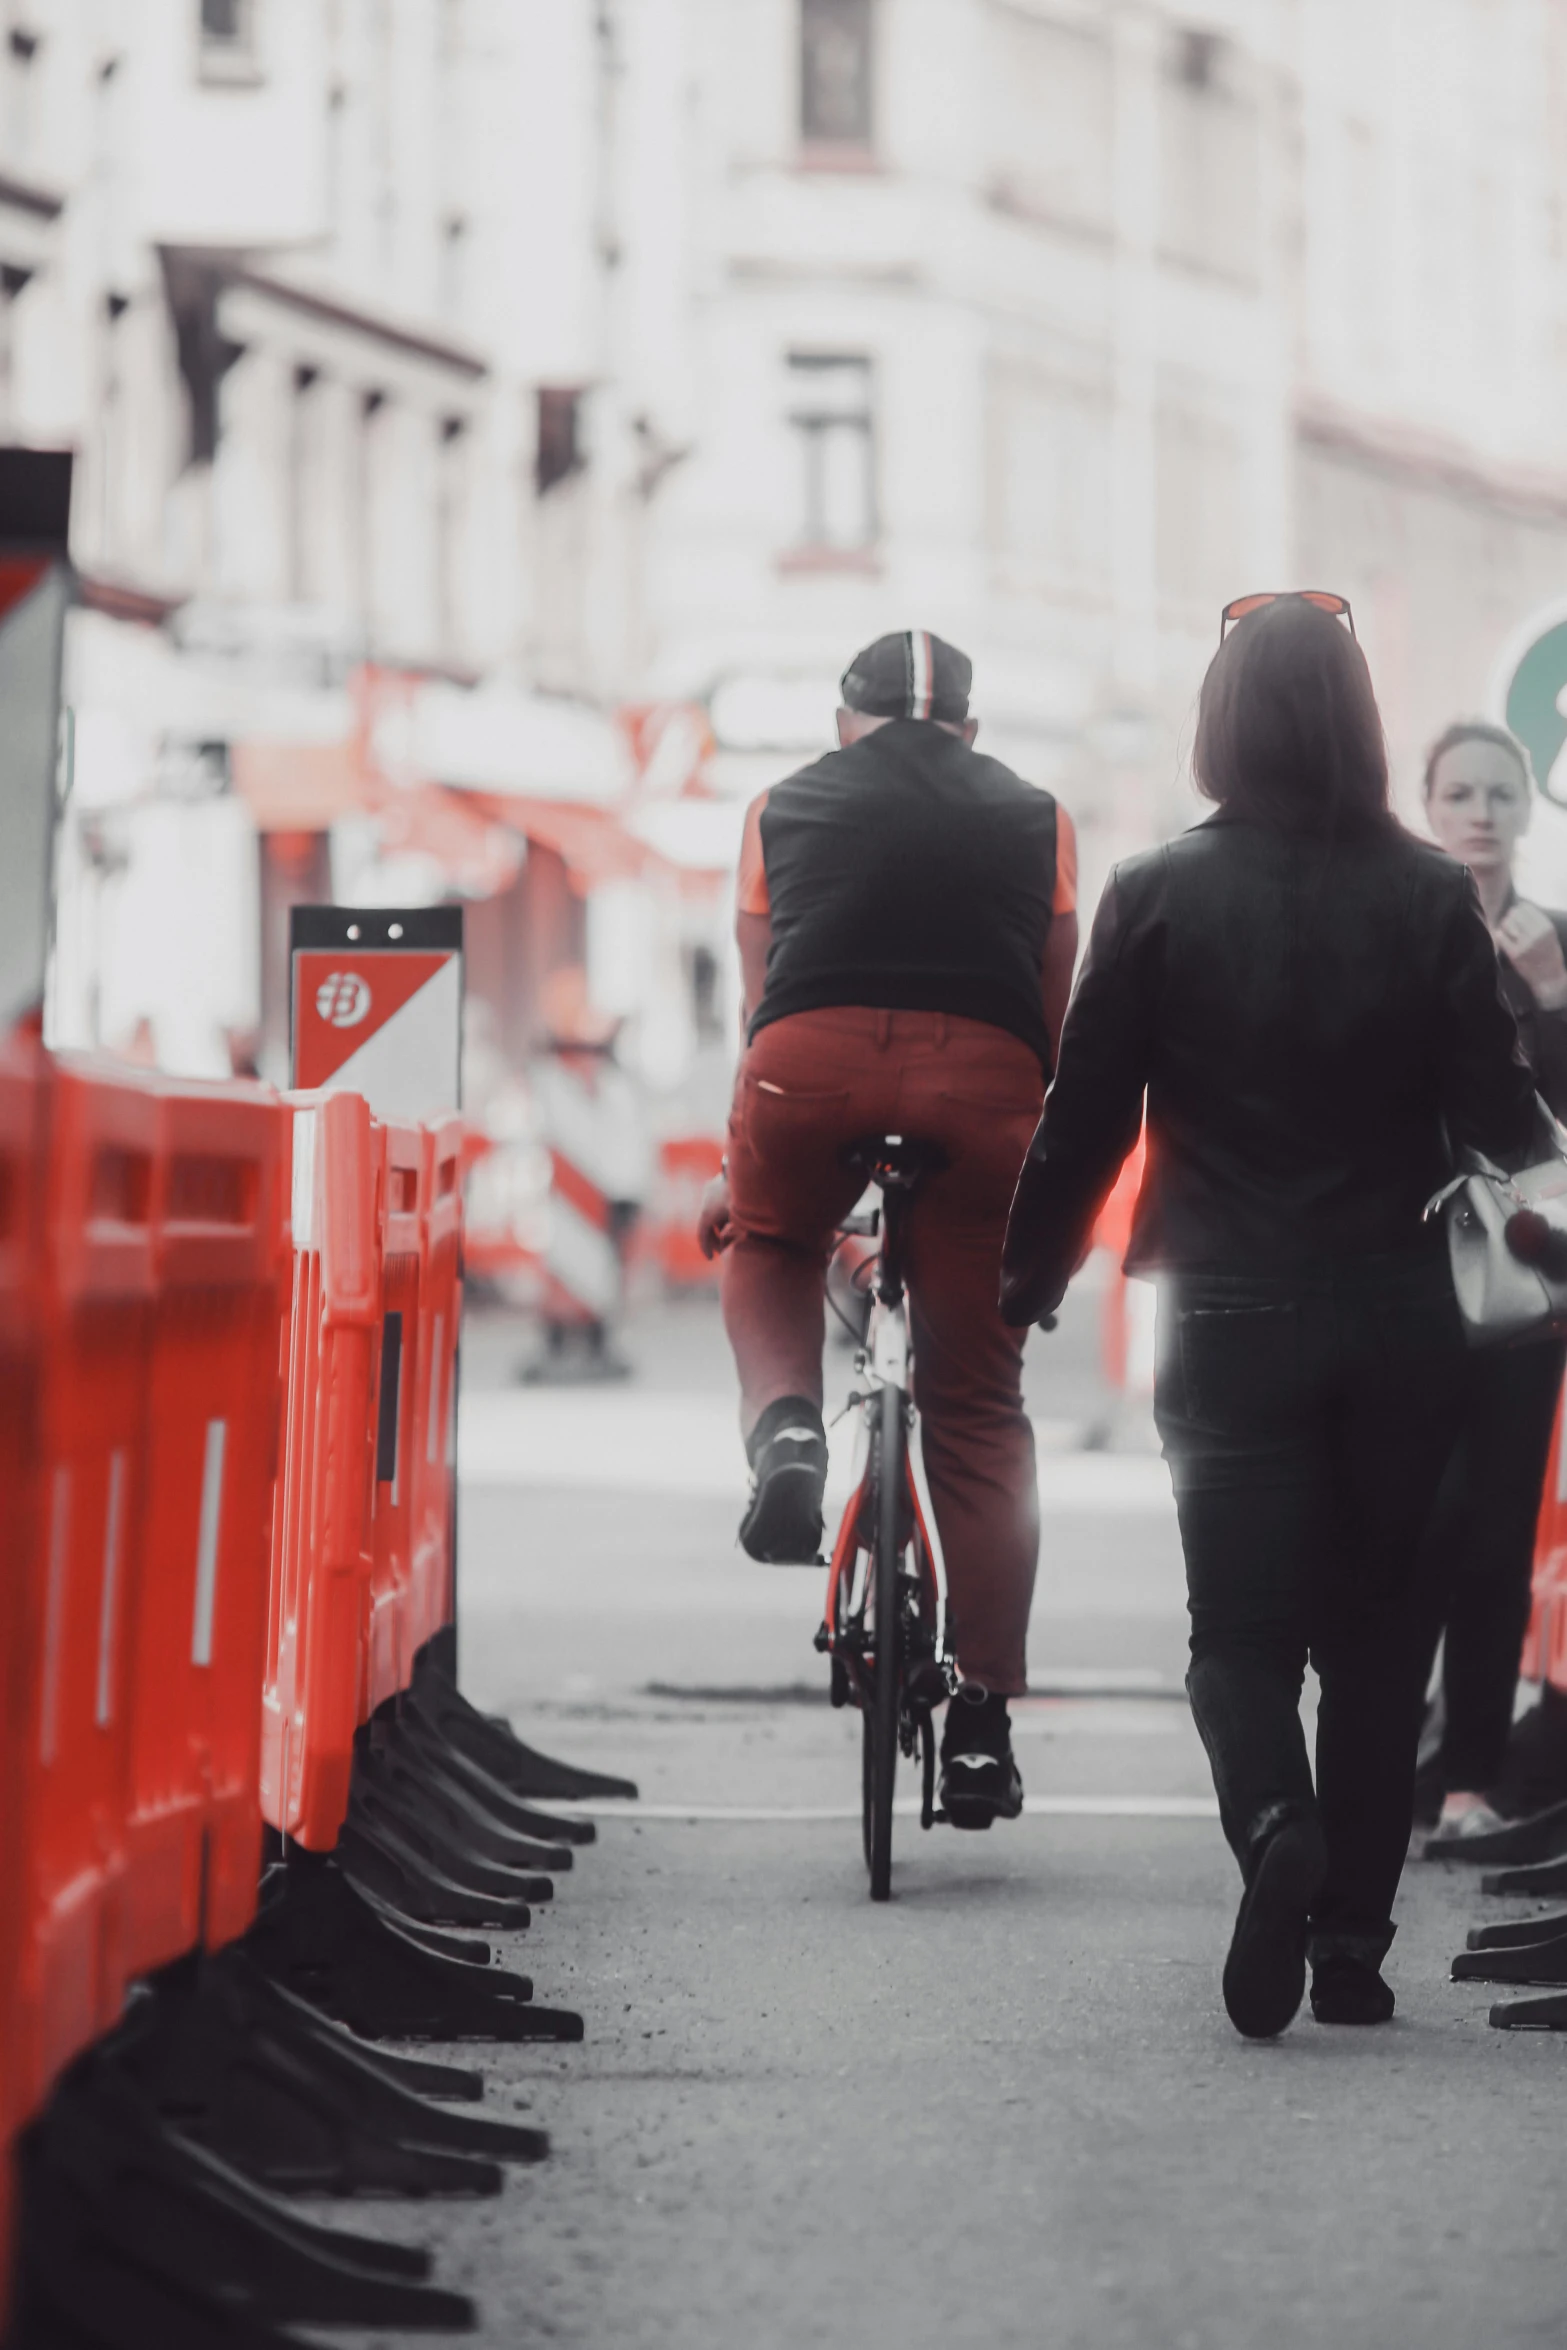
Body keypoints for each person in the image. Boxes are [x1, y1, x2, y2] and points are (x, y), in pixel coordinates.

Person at [1000, 595, 1535, 2037]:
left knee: (1234, 1636)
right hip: (1395, 1313)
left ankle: (1269, 1825)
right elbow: (1497, 1116)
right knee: (1372, 1643)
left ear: (1217, 719)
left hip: (1227, 1310)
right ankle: (1352, 1948)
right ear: (1363, 724)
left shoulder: (1154, 887)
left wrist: (1027, 1278)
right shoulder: (1430, 896)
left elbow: (1084, 1120)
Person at [698, 630, 1078, 1826]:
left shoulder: (777, 808)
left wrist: (739, 1169)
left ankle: (791, 1437)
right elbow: (1056, 1012)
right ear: (968, 730)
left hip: (804, 1075)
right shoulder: (1040, 816)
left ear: (842, 722)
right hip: (987, 1088)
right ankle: (980, 1719)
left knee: (770, 1242)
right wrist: (1045, 1201)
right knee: (977, 1407)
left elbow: (763, 1003)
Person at [1414, 721, 1567, 1835]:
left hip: (1524, 1277)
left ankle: (1468, 1771)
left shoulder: (1551, 937)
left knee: (1497, 1526)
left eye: (1497, 795)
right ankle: (1394, 1757)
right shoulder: (1396, 919)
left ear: (1526, 808)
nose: (1479, 812)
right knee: (1409, 1522)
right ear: (1426, 807)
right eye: (1458, 793)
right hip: (1406, 1264)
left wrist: (1551, 999)